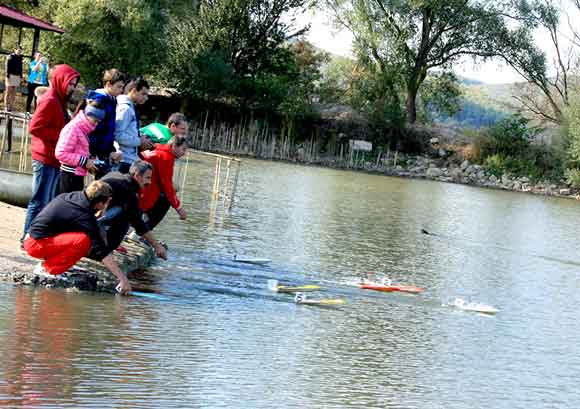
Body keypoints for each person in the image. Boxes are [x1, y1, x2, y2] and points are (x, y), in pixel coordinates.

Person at [23, 180, 132, 294]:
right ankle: (48, 269)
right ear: (100, 201)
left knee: (82, 237)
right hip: (35, 244)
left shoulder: (74, 197)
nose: (108, 204)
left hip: (33, 238)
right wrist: (123, 279)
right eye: (108, 201)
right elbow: (101, 251)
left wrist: (100, 211)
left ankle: (51, 265)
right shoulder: (83, 214)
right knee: (84, 241)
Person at [21, 64, 80, 244]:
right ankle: (27, 237)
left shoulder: (59, 100)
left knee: (46, 200)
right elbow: (35, 128)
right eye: (71, 84)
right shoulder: (50, 100)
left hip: (53, 159)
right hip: (44, 158)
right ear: (61, 81)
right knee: (39, 200)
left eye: (74, 85)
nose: (73, 88)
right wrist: (61, 136)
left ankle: (35, 237)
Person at [99, 160, 168, 259]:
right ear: (137, 176)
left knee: (126, 212)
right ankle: (103, 250)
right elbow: (138, 223)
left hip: (85, 215)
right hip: (91, 219)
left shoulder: (117, 175)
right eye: (147, 178)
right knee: (125, 219)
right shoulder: (127, 190)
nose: (149, 182)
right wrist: (157, 246)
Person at [55, 100, 105, 194]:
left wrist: (89, 160)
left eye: (99, 122)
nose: (96, 124)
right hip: (69, 175)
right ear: (88, 115)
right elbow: (60, 153)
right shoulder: (73, 128)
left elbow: (78, 150)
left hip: (77, 174)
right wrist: (85, 161)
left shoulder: (82, 129)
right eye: (95, 121)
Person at [140, 135, 189, 230]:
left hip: (138, 186)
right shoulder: (166, 158)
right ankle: (141, 233)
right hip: (142, 192)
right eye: (183, 149)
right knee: (165, 200)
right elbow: (167, 186)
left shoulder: (157, 148)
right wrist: (179, 208)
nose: (184, 153)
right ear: (174, 146)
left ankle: (137, 228)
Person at [86, 68, 126, 179]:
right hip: (95, 152)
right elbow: (94, 130)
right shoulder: (98, 102)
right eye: (119, 86)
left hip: (104, 150)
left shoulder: (111, 100)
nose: (121, 90)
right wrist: (93, 153)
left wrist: (111, 150)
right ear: (108, 84)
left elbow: (108, 131)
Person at [114, 78, 151, 173]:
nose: (146, 98)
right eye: (143, 94)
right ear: (134, 90)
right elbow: (117, 135)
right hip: (123, 160)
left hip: (127, 159)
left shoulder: (129, 107)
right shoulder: (125, 109)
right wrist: (139, 141)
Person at [4, 44, 23, 112]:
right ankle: (6, 106)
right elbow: (7, 66)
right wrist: (7, 76)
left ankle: (11, 107)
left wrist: (21, 76)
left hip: (17, 76)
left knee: (14, 93)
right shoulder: (10, 56)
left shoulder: (20, 57)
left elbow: (21, 68)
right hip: (10, 76)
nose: (19, 52)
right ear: (15, 50)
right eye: (18, 50)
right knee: (8, 92)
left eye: (20, 51)